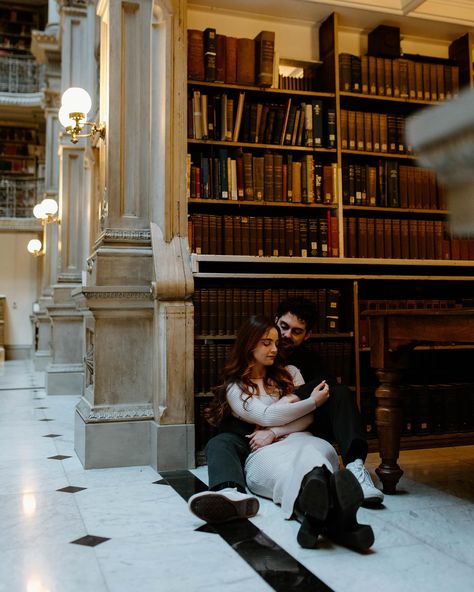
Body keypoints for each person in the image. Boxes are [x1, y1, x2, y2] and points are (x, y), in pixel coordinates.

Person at [189, 316, 374, 550]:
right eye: (267, 343)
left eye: (276, 342)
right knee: (282, 471)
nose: (275, 349)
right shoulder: (235, 387)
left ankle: (313, 513)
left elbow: (306, 419)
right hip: (267, 452)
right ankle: (334, 515)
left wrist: (274, 431)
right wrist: (311, 402)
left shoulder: (291, 373)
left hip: (300, 439)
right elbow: (265, 416)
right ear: (249, 344)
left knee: (313, 456)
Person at [275, 297, 383, 505]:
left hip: (305, 423)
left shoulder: (309, 358)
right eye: (284, 327)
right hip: (267, 422)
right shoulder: (258, 348)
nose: (287, 335)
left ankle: (355, 467)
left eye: (296, 331)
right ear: (276, 320)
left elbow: (328, 382)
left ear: (308, 335)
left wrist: (294, 396)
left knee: (341, 393)